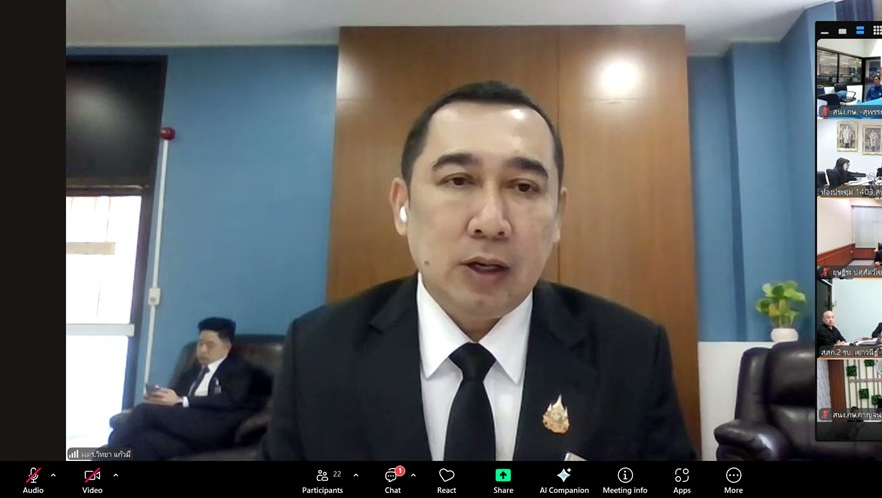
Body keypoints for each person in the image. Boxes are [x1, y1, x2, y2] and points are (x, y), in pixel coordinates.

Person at [260, 80, 697, 462]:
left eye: (523, 187)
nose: (491, 221)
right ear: (402, 205)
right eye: (458, 180)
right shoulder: (318, 352)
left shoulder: (631, 355)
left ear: (558, 216)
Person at [105, 317, 268, 460]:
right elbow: (174, 402)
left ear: (227, 347)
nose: (202, 350)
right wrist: (160, 400)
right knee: (145, 442)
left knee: (143, 411)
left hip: (212, 428)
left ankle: (102, 461)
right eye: (200, 344)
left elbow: (231, 399)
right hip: (187, 436)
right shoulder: (190, 373)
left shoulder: (238, 369)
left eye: (210, 345)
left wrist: (183, 401)